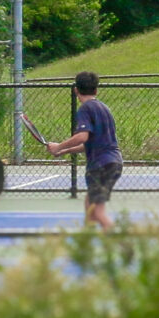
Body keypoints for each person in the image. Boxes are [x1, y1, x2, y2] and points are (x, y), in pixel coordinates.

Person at [44, 71, 121, 230]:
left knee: (98, 212)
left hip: (100, 165)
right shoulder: (104, 108)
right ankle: (87, 243)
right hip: (114, 162)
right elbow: (90, 143)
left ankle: (124, 246)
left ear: (76, 90)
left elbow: (82, 137)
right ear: (96, 90)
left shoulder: (85, 109)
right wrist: (62, 152)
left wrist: (58, 146)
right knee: (89, 205)